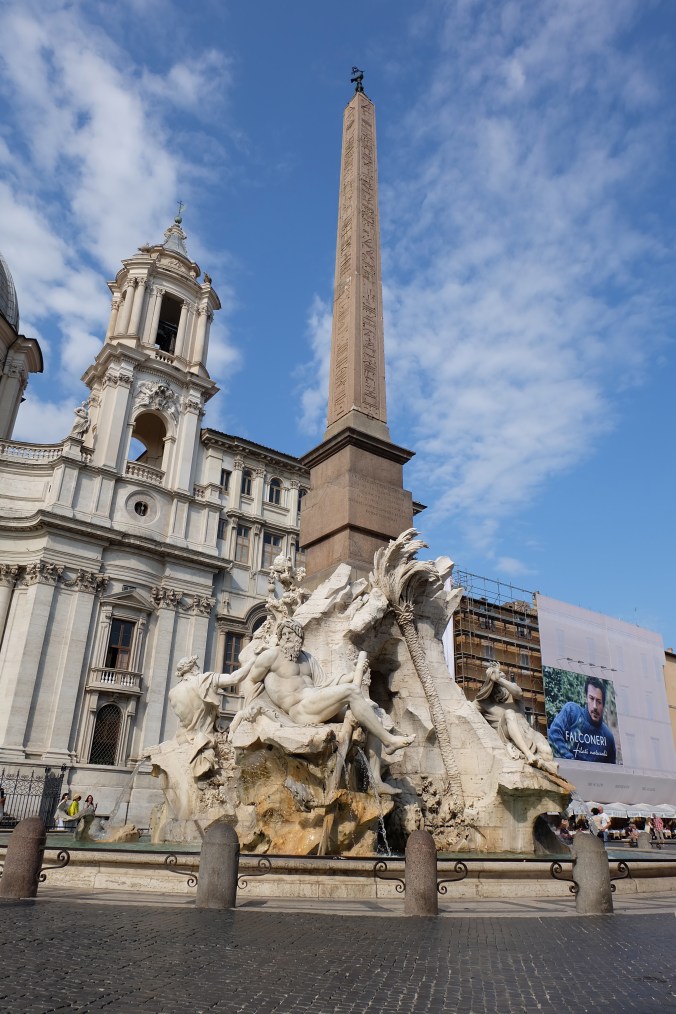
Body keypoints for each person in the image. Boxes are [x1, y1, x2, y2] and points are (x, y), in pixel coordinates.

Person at [228, 619, 415, 757]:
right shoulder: (271, 656)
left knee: (370, 710)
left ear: (299, 637)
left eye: (290, 634)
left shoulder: (307, 658)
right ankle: (389, 741)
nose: (286, 638)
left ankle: (377, 778)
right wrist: (255, 711)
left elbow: (324, 684)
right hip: (299, 710)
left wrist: (352, 675)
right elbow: (251, 681)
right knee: (351, 692)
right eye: (283, 635)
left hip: (316, 701)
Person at [475, 663, 558, 776]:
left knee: (547, 753)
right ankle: (528, 755)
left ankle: (538, 763)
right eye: (498, 676)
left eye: (502, 676)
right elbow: (467, 709)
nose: (501, 676)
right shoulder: (484, 702)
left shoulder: (513, 694)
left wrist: (499, 679)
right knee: (509, 713)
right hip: (506, 732)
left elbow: (518, 692)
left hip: (527, 730)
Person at [168, 656, 238, 778]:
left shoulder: (173, 692)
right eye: (197, 666)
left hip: (183, 740)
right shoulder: (204, 680)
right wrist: (255, 660)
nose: (198, 668)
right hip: (204, 741)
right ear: (193, 667)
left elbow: (182, 721)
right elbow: (235, 678)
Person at [547, 676, 616, 763]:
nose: (594, 706)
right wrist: (572, 762)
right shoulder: (571, 711)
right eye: (591, 698)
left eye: (598, 702)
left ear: (603, 705)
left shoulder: (608, 737)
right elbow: (554, 733)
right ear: (586, 698)